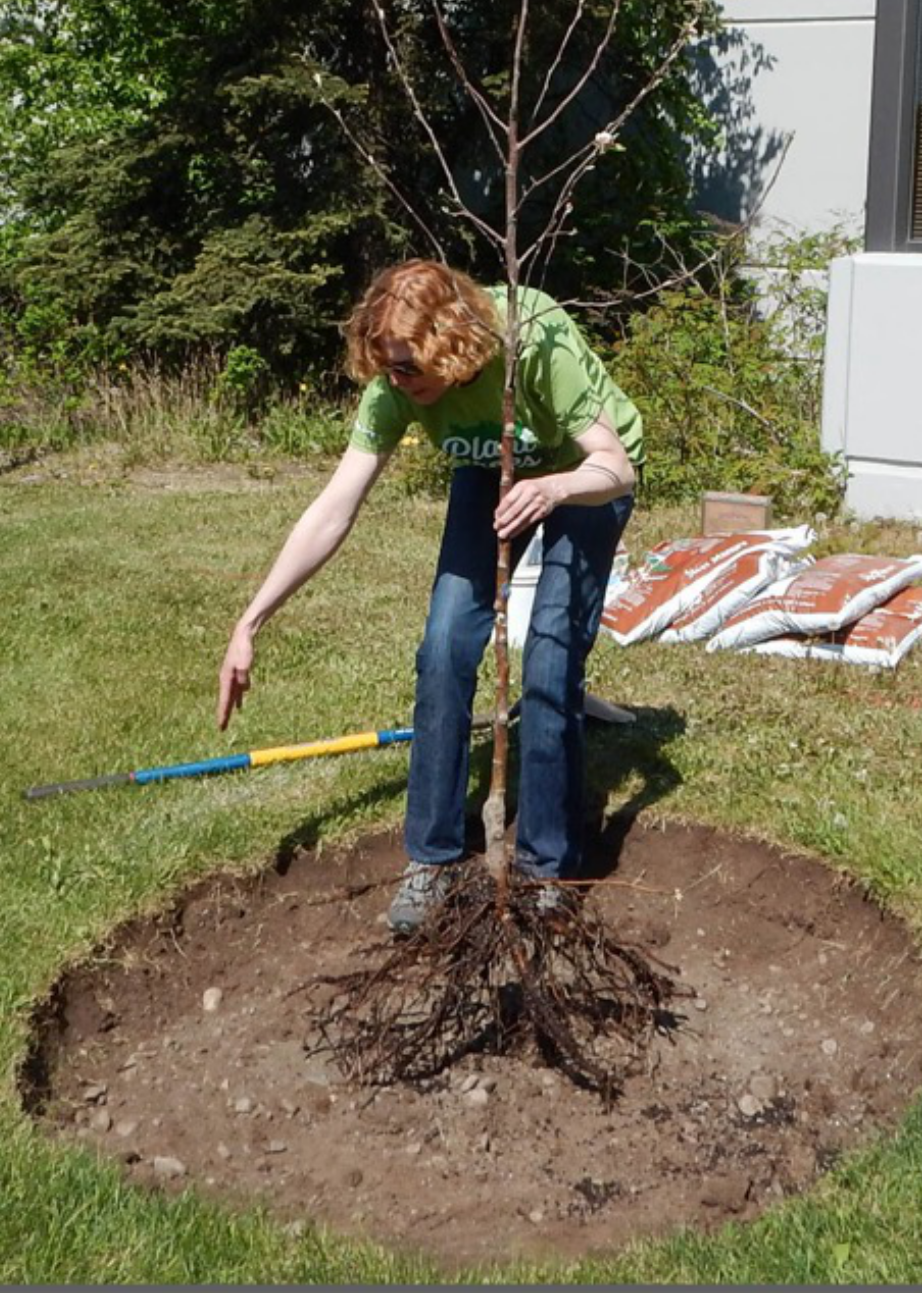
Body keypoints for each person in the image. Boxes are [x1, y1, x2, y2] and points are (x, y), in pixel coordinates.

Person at [217, 260, 643, 933]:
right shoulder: (395, 382)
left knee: (550, 660)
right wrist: (251, 620)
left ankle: (547, 865)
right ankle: (434, 859)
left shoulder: (533, 341)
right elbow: (334, 507)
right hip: (488, 471)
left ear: (453, 346)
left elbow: (615, 465)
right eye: (388, 367)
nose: (397, 381)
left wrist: (555, 488)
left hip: (583, 475)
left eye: (410, 368)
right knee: (444, 645)